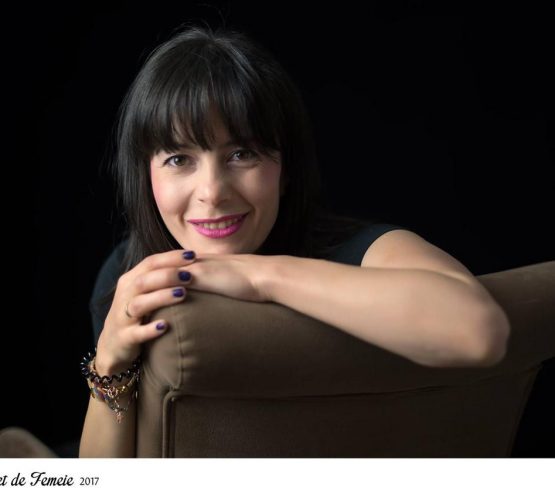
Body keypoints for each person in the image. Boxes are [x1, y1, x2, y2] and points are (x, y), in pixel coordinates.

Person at [79, 23, 511, 458]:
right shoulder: (131, 275)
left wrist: (260, 277)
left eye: (242, 154)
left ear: (285, 168)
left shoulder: (355, 250)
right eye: (178, 159)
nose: (212, 191)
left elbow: (479, 332)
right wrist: (108, 365)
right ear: (145, 176)